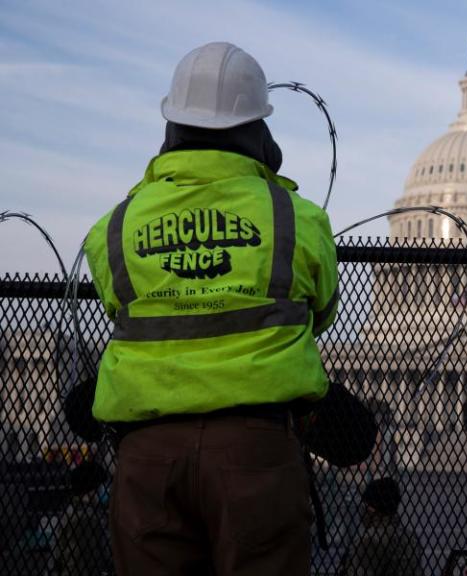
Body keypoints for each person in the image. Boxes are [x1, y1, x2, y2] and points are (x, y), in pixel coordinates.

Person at [83, 42, 339, 575]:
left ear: (170, 129)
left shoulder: (114, 228)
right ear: (261, 135)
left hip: (148, 455)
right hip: (256, 451)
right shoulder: (298, 220)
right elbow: (319, 314)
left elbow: (123, 312)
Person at [338, 477, 424, 576]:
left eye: (363, 506)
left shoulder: (369, 541)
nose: (361, 512)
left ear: (371, 509)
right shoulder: (410, 537)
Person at [52, 461, 113, 575]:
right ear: (91, 490)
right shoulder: (88, 518)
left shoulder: (69, 512)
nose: (104, 490)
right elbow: (105, 555)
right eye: (100, 486)